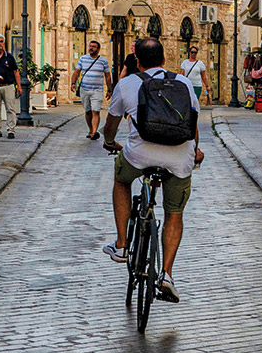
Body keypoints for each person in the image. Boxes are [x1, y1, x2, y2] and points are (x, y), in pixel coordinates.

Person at [102, 37, 203, 303]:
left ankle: (122, 245)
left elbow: (111, 125)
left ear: (137, 61)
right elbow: (193, 123)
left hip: (140, 155)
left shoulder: (126, 84)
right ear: (164, 59)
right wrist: (195, 150)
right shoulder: (183, 83)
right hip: (179, 157)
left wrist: (109, 142)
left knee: (121, 179)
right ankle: (167, 274)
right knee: (174, 213)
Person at [71, 40, 112, 140]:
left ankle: (94, 132)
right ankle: (90, 130)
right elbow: (76, 72)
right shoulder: (83, 59)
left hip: (97, 90)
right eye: (90, 46)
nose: (91, 48)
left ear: (98, 49)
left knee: (95, 111)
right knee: (88, 111)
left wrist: (109, 89)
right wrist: (73, 83)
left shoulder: (103, 61)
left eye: (93, 47)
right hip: (84, 89)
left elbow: (107, 76)